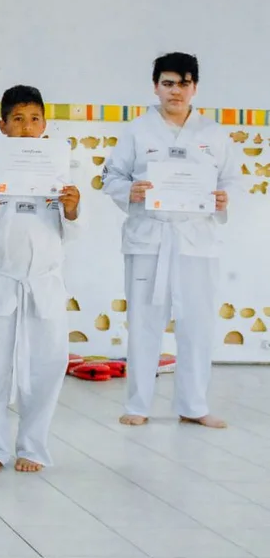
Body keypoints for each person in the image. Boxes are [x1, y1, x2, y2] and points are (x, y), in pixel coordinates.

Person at [0, 85, 80, 472]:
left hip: (42, 283)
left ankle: (33, 447)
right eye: (18, 120)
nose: (27, 128)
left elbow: (73, 232)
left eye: (34, 119)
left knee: (47, 366)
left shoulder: (62, 170)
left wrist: (73, 210)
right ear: (3, 125)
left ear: (45, 125)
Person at [102, 52, 231, 428]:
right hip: (149, 238)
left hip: (197, 241)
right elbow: (112, 177)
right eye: (169, 83)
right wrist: (132, 190)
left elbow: (232, 180)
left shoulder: (213, 133)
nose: (177, 91)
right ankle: (138, 404)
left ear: (195, 88)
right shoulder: (137, 131)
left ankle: (194, 405)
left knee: (198, 322)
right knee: (144, 320)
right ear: (155, 86)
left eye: (184, 83)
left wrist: (225, 198)